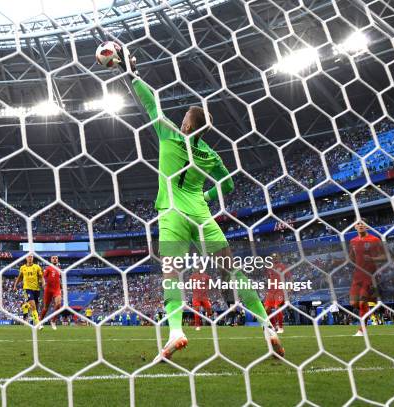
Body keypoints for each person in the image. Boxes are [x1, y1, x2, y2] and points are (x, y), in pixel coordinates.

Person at [121, 51, 284, 360]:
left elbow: (149, 103)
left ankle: (176, 332)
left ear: (185, 123)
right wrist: (206, 197)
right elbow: (229, 184)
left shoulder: (168, 134)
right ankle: (266, 325)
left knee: (171, 274)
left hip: (172, 214)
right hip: (201, 215)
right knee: (231, 271)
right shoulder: (210, 154)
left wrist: (131, 74)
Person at [349, 221, 385, 336]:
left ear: (366, 226)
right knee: (353, 302)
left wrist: (372, 259)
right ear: (355, 226)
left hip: (370, 275)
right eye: (358, 224)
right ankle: (371, 304)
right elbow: (351, 257)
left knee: (361, 302)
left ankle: (362, 330)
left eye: (362, 224)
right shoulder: (353, 241)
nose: (360, 225)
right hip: (357, 276)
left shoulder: (375, 240)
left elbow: (385, 256)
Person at [13, 254, 44, 329]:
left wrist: (43, 283)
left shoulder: (37, 267)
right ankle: (38, 324)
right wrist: (15, 285)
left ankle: (25, 306)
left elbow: (41, 276)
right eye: (28, 257)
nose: (30, 258)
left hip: (36, 289)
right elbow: (20, 277)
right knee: (33, 306)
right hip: (27, 289)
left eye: (31, 257)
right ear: (26, 258)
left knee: (35, 307)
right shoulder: (22, 268)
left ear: (33, 258)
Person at [264, 253, 291, 334]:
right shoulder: (269, 268)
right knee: (267, 310)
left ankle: (280, 327)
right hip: (271, 291)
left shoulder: (282, 266)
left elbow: (289, 277)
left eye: (276, 257)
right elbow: (269, 279)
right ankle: (273, 326)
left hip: (279, 290)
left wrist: (290, 287)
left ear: (279, 258)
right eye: (273, 257)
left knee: (277, 308)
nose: (274, 258)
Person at [40, 256, 62, 330]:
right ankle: (40, 322)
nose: (55, 259)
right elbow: (43, 276)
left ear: (58, 260)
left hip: (56, 289)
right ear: (51, 260)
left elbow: (59, 279)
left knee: (58, 304)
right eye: (53, 258)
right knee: (46, 308)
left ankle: (53, 321)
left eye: (56, 258)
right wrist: (43, 283)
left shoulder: (59, 269)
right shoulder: (48, 268)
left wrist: (61, 287)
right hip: (48, 290)